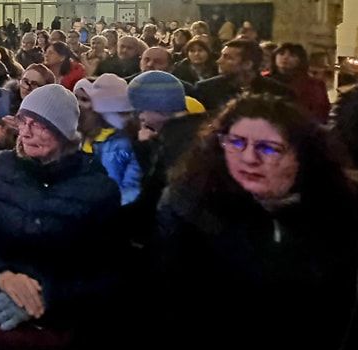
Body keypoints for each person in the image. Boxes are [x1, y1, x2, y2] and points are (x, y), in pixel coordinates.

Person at [151, 95, 358, 350]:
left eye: (269, 148)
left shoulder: (331, 211)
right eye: (236, 143)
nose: (249, 158)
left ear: (302, 154)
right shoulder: (191, 207)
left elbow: (335, 309)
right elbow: (177, 309)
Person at [0, 84, 122, 350]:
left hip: (56, 317)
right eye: (23, 121)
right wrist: (1, 274)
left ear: (64, 132)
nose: (26, 132)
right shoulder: (3, 164)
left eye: (40, 125)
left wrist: (48, 295)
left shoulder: (98, 189)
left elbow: (107, 272)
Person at [125, 71, 207, 244]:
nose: (136, 117)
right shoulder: (198, 132)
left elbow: (149, 197)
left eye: (138, 111)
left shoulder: (174, 148)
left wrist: (144, 150)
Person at [77, 74, 141, 205]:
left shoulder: (117, 146)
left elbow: (121, 190)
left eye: (84, 99)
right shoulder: (82, 137)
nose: (78, 105)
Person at [194, 39, 292, 112]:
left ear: (247, 64)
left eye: (228, 58)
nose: (219, 61)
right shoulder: (206, 90)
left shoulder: (277, 92)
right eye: (221, 56)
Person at [268, 42, 330, 123]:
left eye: (292, 55)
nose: (285, 57)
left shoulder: (314, 84)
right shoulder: (264, 80)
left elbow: (321, 111)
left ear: (300, 60)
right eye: (281, 54)